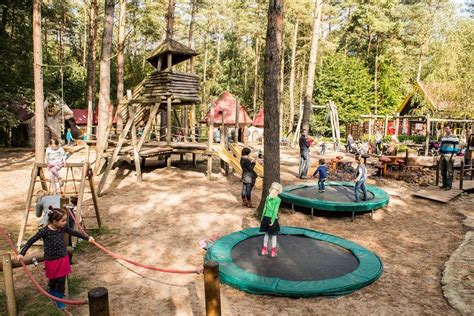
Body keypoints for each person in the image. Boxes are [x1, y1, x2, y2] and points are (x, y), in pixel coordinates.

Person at [17, 207, 94, 312]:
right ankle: (52, 291)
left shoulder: (62, 228)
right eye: (63, 221)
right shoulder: (44, 231)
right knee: (53, 279)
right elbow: (31, 240)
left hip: (63, 257)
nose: (65, 223)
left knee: (62, 279)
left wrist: (87, 237)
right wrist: (22, 253)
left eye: (65, 220)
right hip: (51, 260)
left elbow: (74, 232)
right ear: (54, 222)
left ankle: (59, 298)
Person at [260, 182, 283, 258]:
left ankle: (264, 250)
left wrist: (262, 217)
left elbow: (264, 208)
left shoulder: (267, 197)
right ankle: (273, 252)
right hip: (272, 218)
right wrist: (272, 220)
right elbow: (275, 211)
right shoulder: (278, 199)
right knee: (274, 236)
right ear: (278, 191)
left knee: (266, 234)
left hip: (266, 217)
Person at [439, 126, 459, 190]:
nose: (446, 130)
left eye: (447, 129)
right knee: (443, 171)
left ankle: (449, 185)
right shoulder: (443, 137)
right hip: (443, 155)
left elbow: (456, 146)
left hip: (450, 155)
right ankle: (444, 184)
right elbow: (440, 146)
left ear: (451, 129)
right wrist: (439, 154)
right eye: (445, 129)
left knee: (449, 171)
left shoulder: (454, 137)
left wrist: (454, 155)